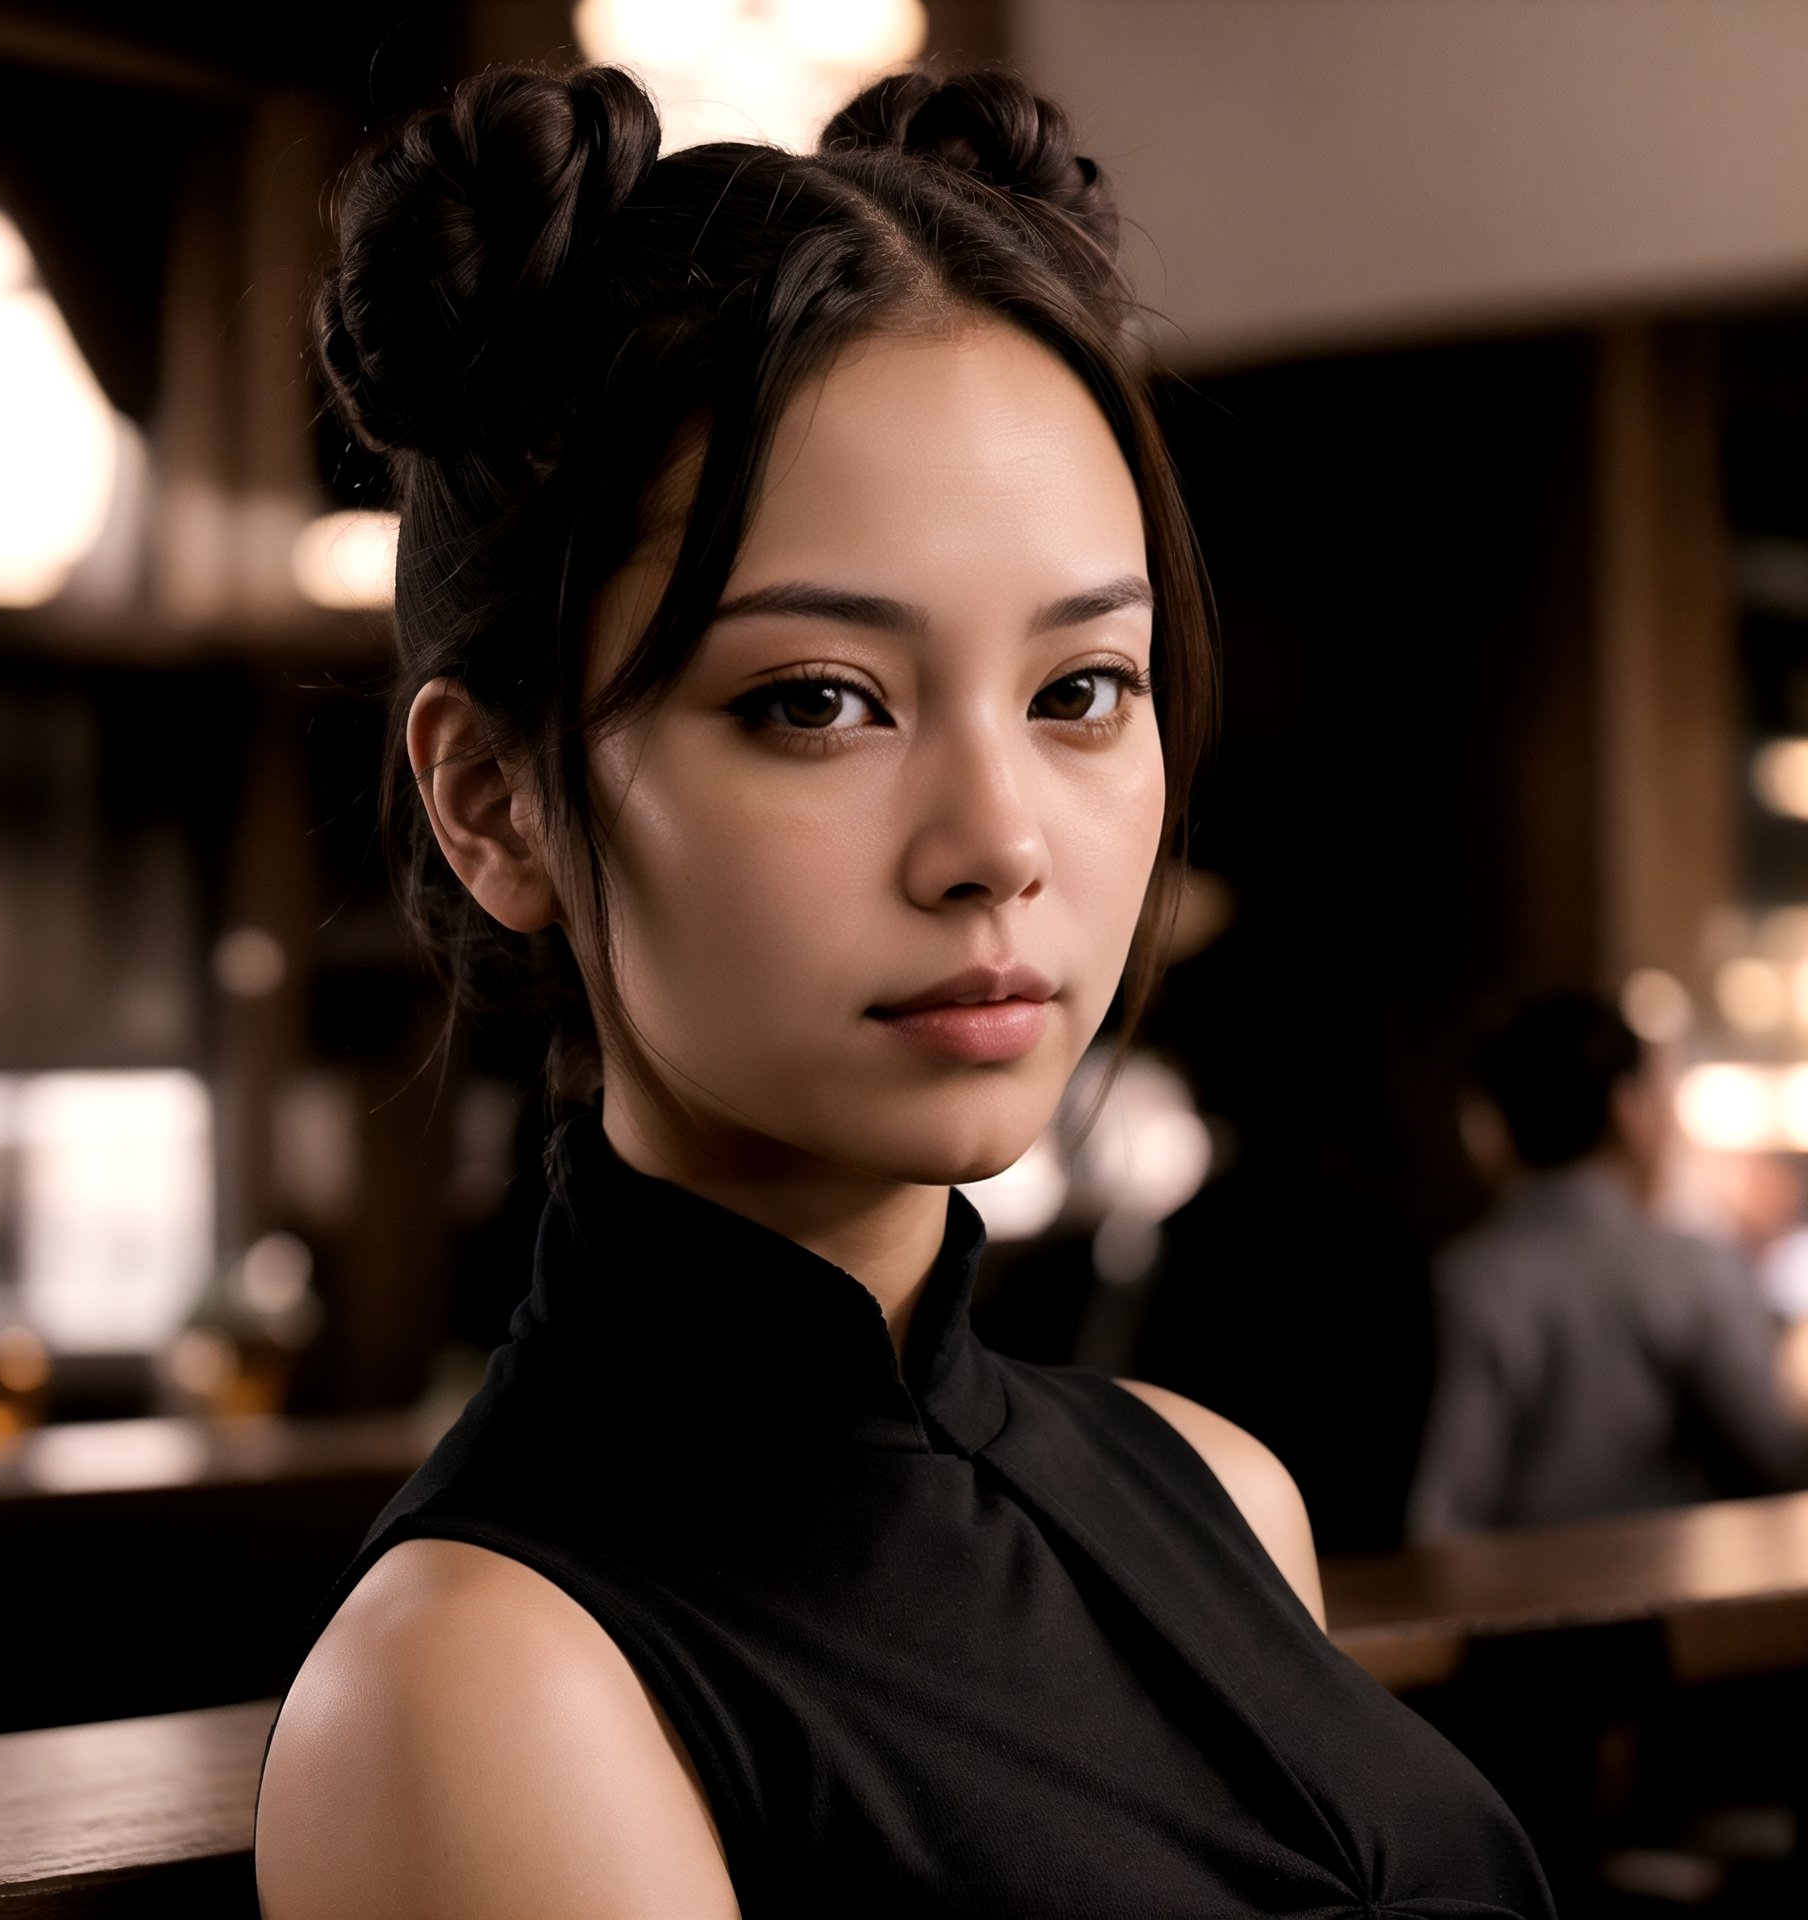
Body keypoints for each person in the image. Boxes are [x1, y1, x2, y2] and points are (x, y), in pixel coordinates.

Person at [256, 64, 1552, 1917]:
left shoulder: (1216, 1492)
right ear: (494, 803)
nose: (996, 843)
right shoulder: (487, 1685)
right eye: (817, 701)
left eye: (1080, 689)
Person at [1409, 992, 1808, 1540]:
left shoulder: (1466, 1275)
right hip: (1681, 1604)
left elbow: (1444, 1506)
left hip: (1512, 1603)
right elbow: (1773, 1465)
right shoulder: (1696, 1268)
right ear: (1631, 1110)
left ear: (1489, 1130)